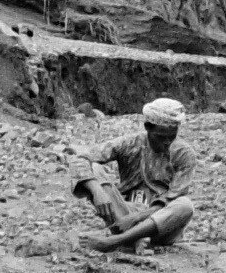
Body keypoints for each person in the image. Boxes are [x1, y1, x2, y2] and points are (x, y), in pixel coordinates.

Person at [70, 98, 196, 252]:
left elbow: (172, 198)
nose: (167, 142)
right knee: (95, 168)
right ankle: (133, 240)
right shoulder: (130, 143)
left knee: (185, 205)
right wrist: (97, 191)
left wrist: (137, 218)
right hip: (123, 218)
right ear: (147, 127)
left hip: (160, 226)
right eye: (161, 137)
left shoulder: (184, 154)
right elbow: (80, 158)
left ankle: (116, 241)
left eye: (172, 136)